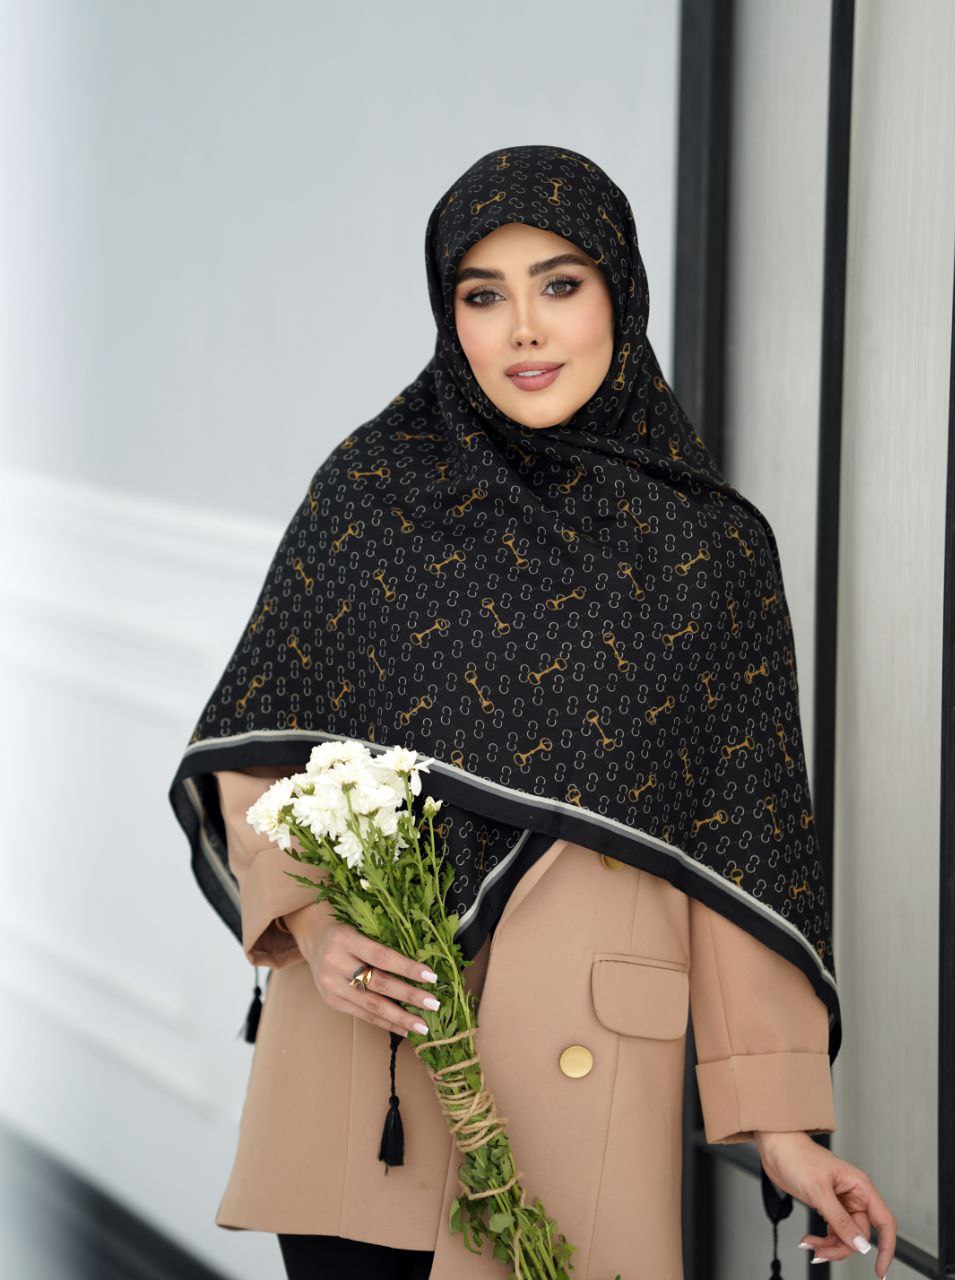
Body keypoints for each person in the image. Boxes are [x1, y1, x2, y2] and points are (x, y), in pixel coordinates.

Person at [169, 145, 896, 1279]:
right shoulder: (371, 492)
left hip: (576, 1064)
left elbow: (741, 837)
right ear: (447, 314)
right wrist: (310, 928)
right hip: (367, 1064)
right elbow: (263, 749)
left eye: (559, 284)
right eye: (482, 295)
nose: (522, 330)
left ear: (619, 294)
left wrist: (780, 1124)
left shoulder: (708, 549)